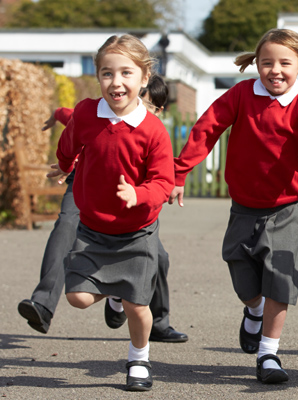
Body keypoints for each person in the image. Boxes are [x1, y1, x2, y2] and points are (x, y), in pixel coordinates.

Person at [169, 28, 298, 384]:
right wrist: (179, 172)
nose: (275, 70)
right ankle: (254, 311)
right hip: (244, 207)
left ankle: (269, 354)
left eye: (285, 63)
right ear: (257, 64)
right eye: (267, 63)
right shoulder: (242, 94)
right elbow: (206, 129)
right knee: (244, 280)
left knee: (280, 279)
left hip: (286, 208)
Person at [18, 75, 188, 344]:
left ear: (158, 110)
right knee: (66, 226)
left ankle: (154, 321)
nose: (136, 106)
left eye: (147, 105)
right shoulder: (97, 113)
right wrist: (55, 116)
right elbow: (69, 116)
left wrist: (162, 187)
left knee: (159, 258)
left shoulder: (151, 131)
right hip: (87, 184)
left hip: (129, 194)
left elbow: (162, 175)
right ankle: (43, 303)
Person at [47, 34, 175, 391]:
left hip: (137, 232)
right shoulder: (87, 113)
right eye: (107, 73)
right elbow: (69, 141)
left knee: (137, 306)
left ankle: (139, 359)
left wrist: (139, 194)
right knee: (77, 298)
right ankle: (116, 293)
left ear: (144, 77)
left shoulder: (153, 130)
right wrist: (64, 164)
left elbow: (163, 181)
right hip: (93, 229)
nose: (116, 82)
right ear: (98, 76)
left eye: (126, 73)